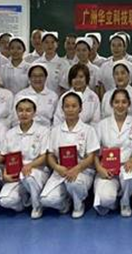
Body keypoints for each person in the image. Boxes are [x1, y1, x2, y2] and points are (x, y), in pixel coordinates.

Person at [41, 91, 99, 219]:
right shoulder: (55, 131)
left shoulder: (88, 130)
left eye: (74, 106)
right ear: (62, 109)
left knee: (73, 183)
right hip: (61, 171)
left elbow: (91, 156)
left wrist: (77, 168)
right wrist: (57, 167)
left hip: (82, 171)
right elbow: (50, 155)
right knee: (46, 200)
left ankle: (78, 205)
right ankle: (65, 203)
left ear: (80, 108)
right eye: (67, 106)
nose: (70, 109)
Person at [0, 96, 50, 219]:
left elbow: (44, 156)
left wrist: (30, 165)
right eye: (20, 110)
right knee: (5, 200)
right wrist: (5, 173)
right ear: (16, 112)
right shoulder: (10, 133)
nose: (24, 114)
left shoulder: (43, 131)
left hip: (37, 170)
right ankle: (23, 203)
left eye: (28, 110)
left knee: (29, 177)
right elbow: (6, 156)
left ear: (34, 113)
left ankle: (37, 206)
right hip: (16, 173)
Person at [93, 89, 132, 217]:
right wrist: (99, 169)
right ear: (111, 104)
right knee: (105, 199)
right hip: (107, 168)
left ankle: (125, 201)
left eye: (124, 102)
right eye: (116, 102)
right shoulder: (102, 125)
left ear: (129, 104)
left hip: (127, 165)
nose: (120, 105)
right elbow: (94, 152)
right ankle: (113, 199)